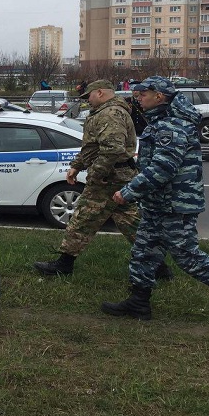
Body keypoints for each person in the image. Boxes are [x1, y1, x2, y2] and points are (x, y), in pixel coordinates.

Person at [102, 76, 209, 332]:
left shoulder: (171, 126)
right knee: (144, 252)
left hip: (175, 205)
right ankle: (139, 302)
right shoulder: (162, 121)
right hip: (158, 204)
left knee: (188, 257)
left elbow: (163, 168)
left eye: (143, 94)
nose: (138, 98)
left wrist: (128, 192)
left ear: (159, 96)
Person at [34, 80, 144, 276]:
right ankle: (157, 263)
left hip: (108, 178)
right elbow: (92, 147)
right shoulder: (107, 112)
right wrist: (77, 166)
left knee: (83, 219)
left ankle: (64, 264)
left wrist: (95, 174)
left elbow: (112, 150)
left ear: (100, 93)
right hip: (119, 176)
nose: (87, 100)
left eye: (89, 96)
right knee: (131, 222)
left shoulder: (110, 114)